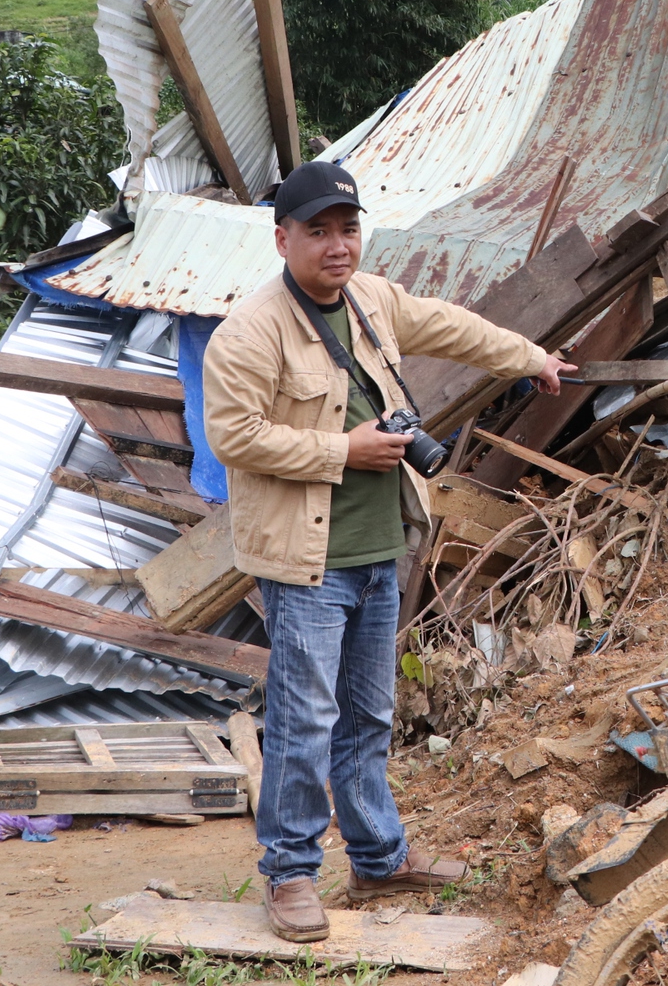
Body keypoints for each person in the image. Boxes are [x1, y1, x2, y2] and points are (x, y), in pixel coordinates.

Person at [203, 161, 576, 943]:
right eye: (318, 231)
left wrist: (529, 356)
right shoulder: (251, 331)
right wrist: (342, 449)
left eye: (348, 228)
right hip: (308, 562)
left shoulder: (372, 300)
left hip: (380, 547)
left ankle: (377, 857)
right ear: (283, 238)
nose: (337, 246)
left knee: (369, 714)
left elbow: (450, 324)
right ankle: (292, 873)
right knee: (304, 720)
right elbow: (232, 436)